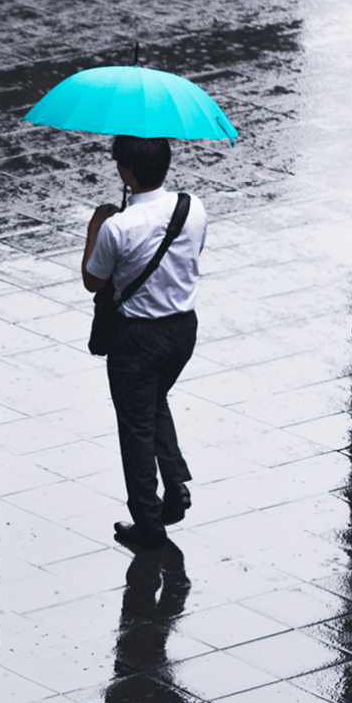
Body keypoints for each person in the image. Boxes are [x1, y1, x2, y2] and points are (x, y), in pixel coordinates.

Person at [82, 136, 207, 548]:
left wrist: (94, 228)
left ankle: (149, 523)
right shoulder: (192, 208)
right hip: (182, 331)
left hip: (137, 339)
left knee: (134, 426)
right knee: (154, 404)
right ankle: (175, 484)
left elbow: (93, 280)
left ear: (127, 171)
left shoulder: (117, 227)